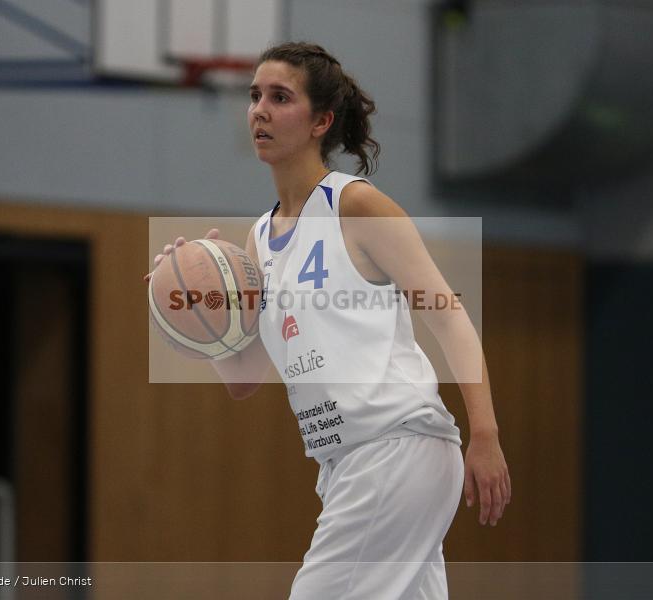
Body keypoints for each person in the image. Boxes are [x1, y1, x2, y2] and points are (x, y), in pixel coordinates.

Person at [145, 41, 510, 599]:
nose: (259, 110)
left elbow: (449, 317)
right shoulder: (258, 242)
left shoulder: (356, 206)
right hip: (348, 466)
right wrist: (191, 313)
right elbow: (244, 378)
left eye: (279, 97)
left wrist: (485, 434)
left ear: (321, 121)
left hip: (397, 447)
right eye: (254, 96)